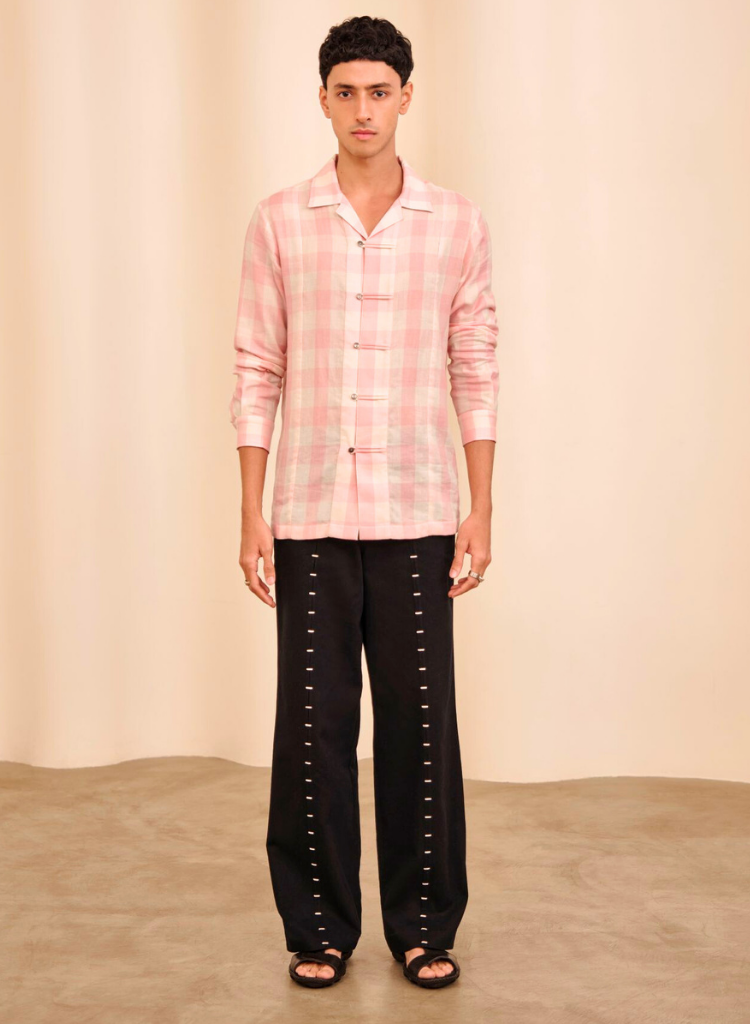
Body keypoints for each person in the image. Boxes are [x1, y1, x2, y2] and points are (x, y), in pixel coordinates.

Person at [229, 14, 499, 990]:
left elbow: (476, 365)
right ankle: (319, 929)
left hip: (419, 511)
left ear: (406, 97)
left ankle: (424, 925)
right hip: (308, 512)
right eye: (345, 92)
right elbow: (257, 365)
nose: (363, 109)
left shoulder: (455, 223)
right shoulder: (280, 220)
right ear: (323, 100)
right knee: (313, 727)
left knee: (421, 725)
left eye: (379, 91)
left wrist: (480, 507)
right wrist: (251, 510)